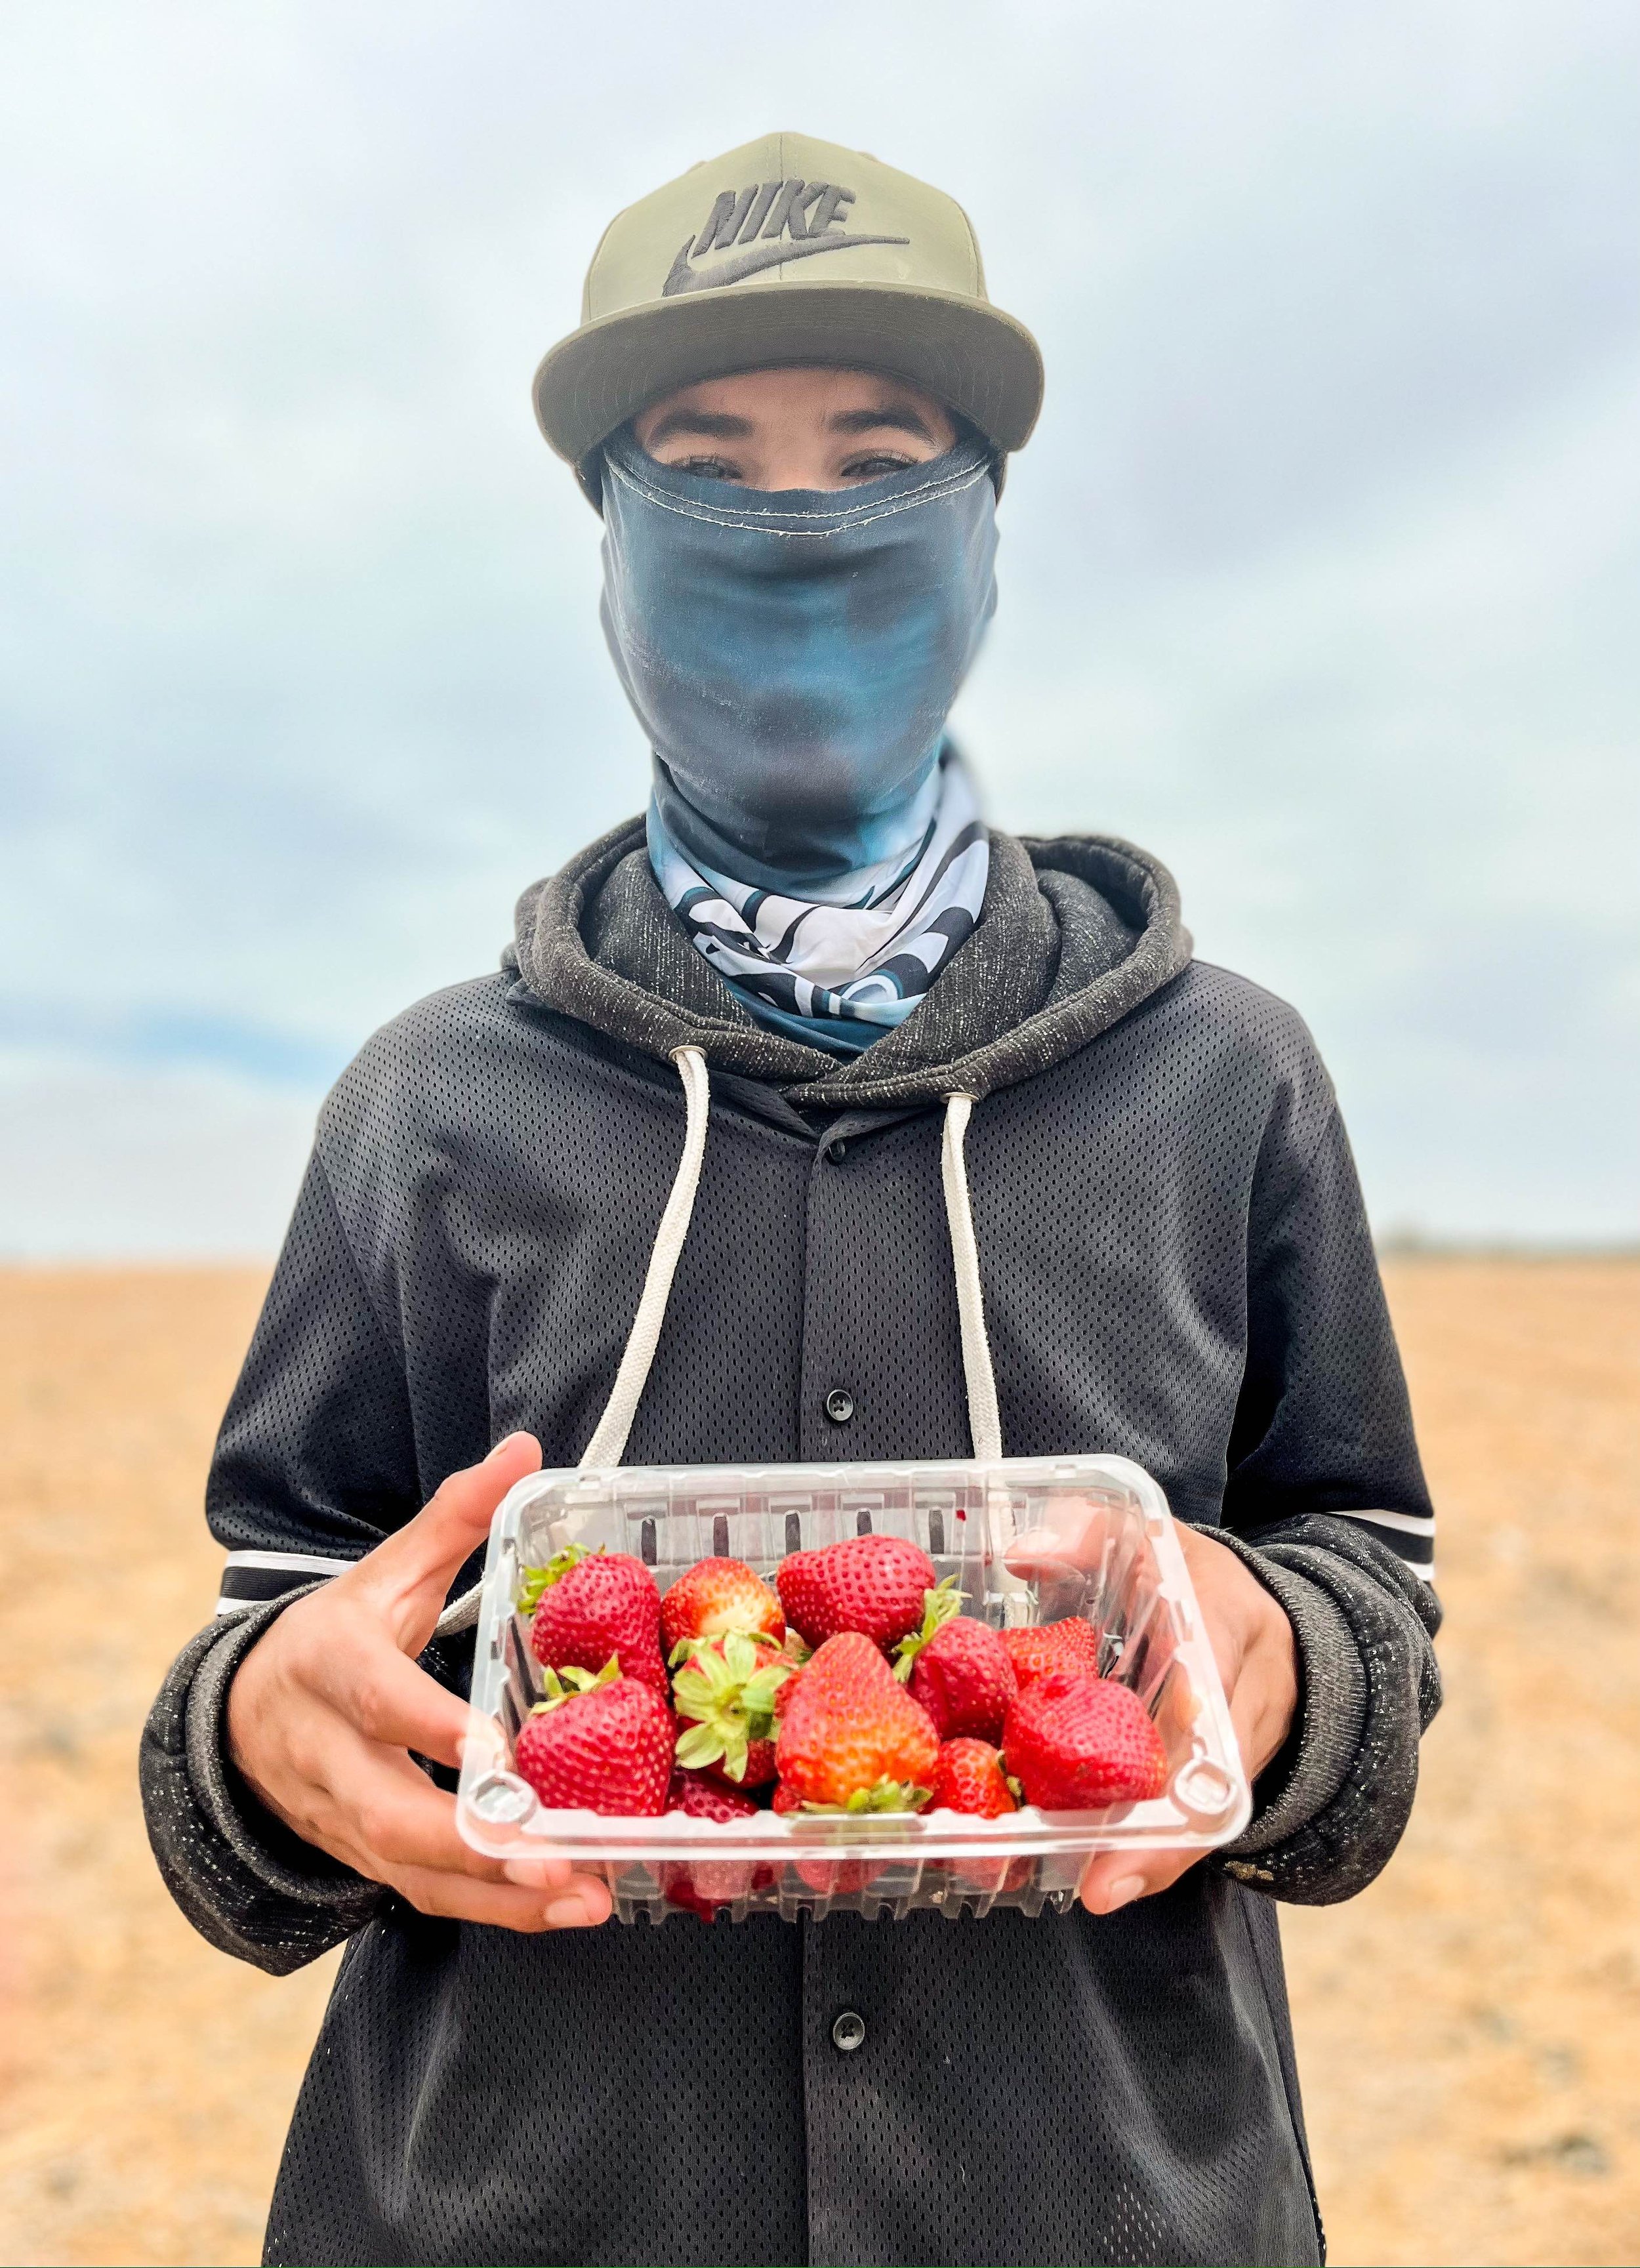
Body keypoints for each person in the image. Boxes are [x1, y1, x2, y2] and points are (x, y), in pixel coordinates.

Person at [141, 131, 1441, 2268]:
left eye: (875, 454)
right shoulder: (427, 1104)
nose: (798, 520)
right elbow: (283, 1605)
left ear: (984, 538)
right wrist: (255, 1725)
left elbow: (1360, 1565)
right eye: (711, 458)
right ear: (613, 552)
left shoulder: (1222, 1078)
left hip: (1099, 2205)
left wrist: (1287, 1653)